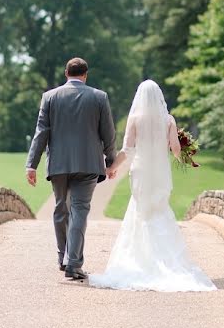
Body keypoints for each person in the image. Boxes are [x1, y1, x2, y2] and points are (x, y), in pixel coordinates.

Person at [89, 79, 216, 292]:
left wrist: (112, 168)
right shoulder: (168, 120)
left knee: (141, 212)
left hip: (141, 171)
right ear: (159, 97)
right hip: (160, 173)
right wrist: (182, 148)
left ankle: (140, 262)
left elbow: (127, 150)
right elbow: (175, 151)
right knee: (160, 211)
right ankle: (165, 261)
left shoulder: (135, 118)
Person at [25, 57, 116, 281]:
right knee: (80, 210)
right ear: (85, 75)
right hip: (88, 164)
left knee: (60, 209)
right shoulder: (99, 97)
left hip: (59, 164)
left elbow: (41, 133)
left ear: (66, 73)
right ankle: (73, 263)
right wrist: (111, 160)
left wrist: (31, 164)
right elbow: (108, 133)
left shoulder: (49, 97)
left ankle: (62, 257)